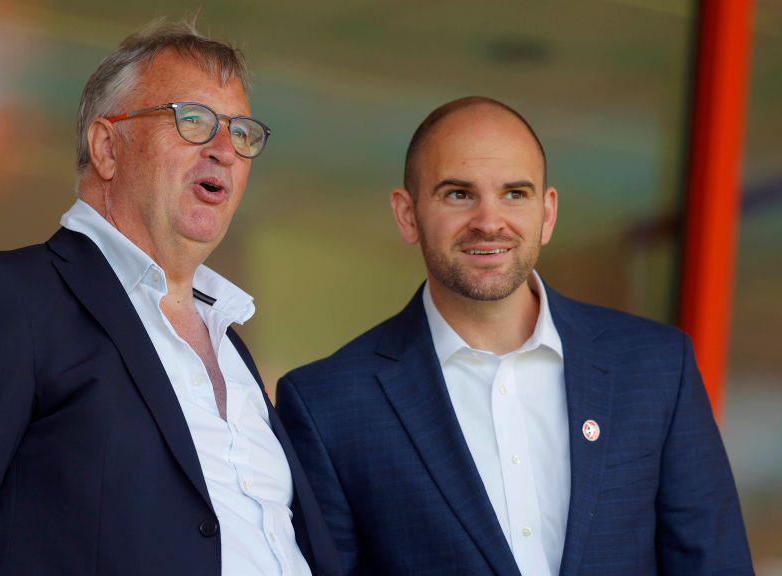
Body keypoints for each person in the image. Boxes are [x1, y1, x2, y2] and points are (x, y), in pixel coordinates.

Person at [0, 20, 340, 576]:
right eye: (193, 121)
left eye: (241, 133)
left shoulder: (232, 346)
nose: (224, 151)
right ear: (107, 147)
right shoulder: (9, 301)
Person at [275, 96, 753, 576]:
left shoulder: (655, 368)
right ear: (407, 214)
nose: (488, 221)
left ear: (547, 213)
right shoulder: (328, 405)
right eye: (458, 194)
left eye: (514, 194)